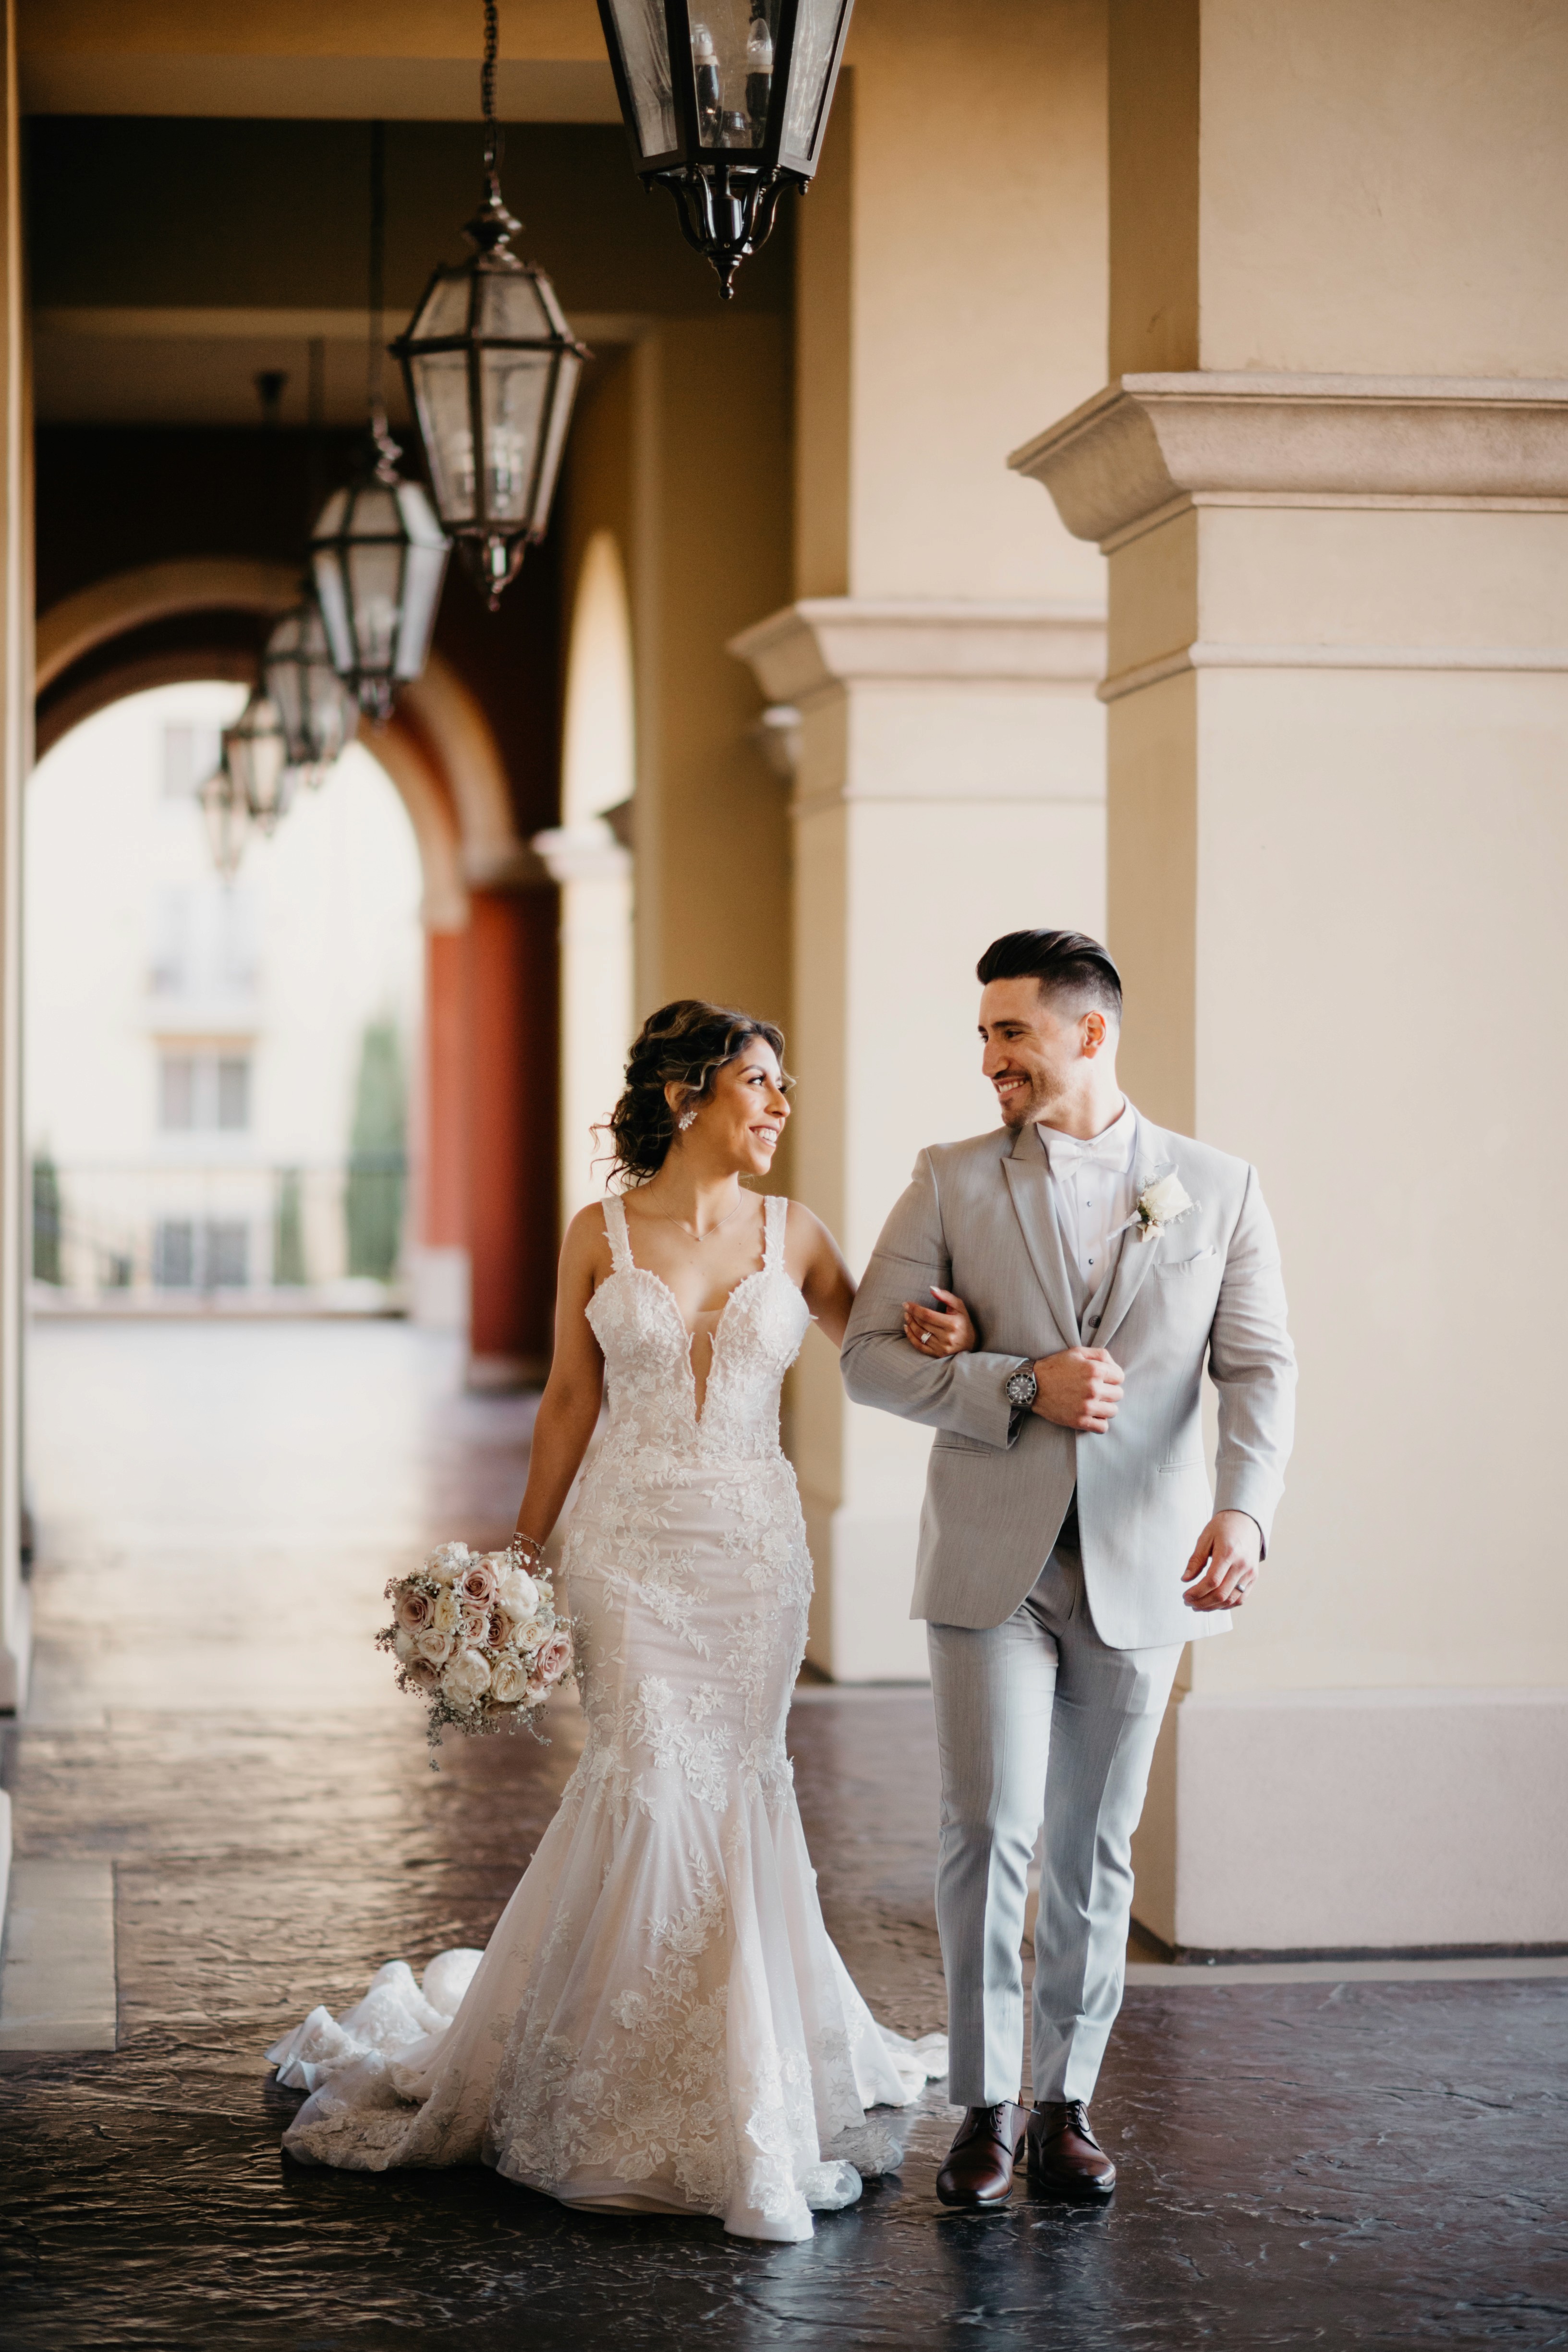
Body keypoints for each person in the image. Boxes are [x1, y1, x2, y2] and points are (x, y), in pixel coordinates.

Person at [268, 1001, 953, 2243]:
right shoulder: (598, 1234)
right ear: (690, 1094)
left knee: (740, 1784)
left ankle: (745, 2074)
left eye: (784, 1085)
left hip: (751, 1558)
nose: (781, 1105)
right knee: (642, 1778)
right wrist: (519, 1560)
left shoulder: (797, 1237)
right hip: (627, 1555)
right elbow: (567, 1398)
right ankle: (611, 2080)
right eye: (760, 1082)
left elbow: (878, 1360)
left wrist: (945, 1333)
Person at [841, 929, 1296, 2210]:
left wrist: (1245, 1513)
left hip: (1142, 1567)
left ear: (1087, 1035)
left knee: (1094, 1849)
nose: (987, 1056)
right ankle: (981, 2108)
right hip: (990, 1562)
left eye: (1009, 1033)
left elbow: (1260, 1368)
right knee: (987, 1830)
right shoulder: (948, 1178)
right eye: (983, 1033)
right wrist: (1008, 1381)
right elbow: (868, 1357)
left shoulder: (1218, 1185)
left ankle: (1063, 2106)